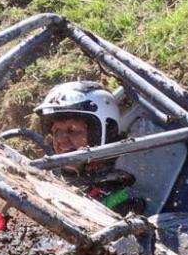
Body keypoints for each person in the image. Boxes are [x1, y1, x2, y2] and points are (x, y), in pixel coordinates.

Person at [34, 82, 144, 213]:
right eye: (56, 131)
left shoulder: (122, 199)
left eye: (73, 130)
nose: (61, 140)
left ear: (101, 134)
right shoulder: (43, 175)